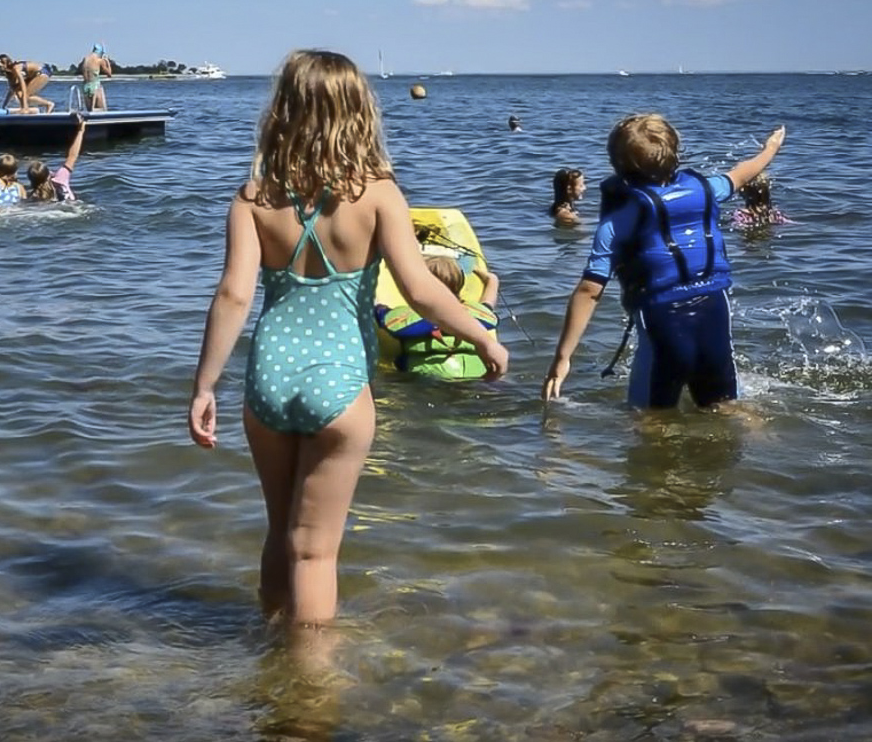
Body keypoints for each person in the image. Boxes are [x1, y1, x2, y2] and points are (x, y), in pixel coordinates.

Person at [188, 50, 508, 631]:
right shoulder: (378, 194)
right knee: (315, 551)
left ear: (282, 110)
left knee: (279, 532)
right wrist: (483, 338)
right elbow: (420, 291)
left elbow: (233, 296)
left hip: (269, 378)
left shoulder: (254, 197)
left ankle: (269, 657)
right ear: (359, 112)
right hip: (338, 379)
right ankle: (309, 691)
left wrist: (204, 385)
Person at [541, 114, 786, 410]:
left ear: (619, 168)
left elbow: (589, 291)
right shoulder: (707, 189)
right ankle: (765, 448)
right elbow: (742, 173)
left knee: (648, 418)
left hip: (663, 321)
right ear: (676, 155)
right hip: (715, 311)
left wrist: (562, 358)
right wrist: (770, 149)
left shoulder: (619, 220)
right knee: (726, 406)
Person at [375, 255, 501, 379]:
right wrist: (492, 281)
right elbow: (487, 305)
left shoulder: (408, 318)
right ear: (460, 285)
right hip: (475, 375)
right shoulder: (471, 316)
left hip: (427, 378)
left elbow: (381, 314)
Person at [26, 119, 87, 202]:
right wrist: (81, 131)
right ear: (48, 174)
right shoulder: (60, 178)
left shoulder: (32, 197)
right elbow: (72, 156)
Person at [80, 44, 112, 111]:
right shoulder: (99, 60)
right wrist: (107, 61)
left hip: (85, 86)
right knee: (101, 110)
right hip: (95, 86)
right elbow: (109, 74)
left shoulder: (85, 59)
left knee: (89, 111)